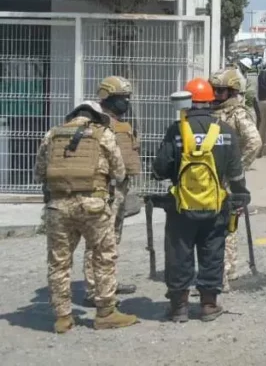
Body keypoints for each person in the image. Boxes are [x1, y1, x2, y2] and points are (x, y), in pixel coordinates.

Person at [36, 100, 139, 333]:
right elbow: (120, 172)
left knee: (59, 262)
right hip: (93, 205)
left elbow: (39, 172)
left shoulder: (52, 134)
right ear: (96, 116)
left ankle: (62, 317)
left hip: (58, 207)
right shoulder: (103, 134)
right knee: (103, 256)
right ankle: (105, 312)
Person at [152, 78, 249, 323]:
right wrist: (240, 196)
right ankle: (208, 306)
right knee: (212, 253)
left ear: (186, 102)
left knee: (178, 253)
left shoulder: (176, 130)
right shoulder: (225, 131)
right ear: (210, 101)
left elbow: (160, 169)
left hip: (181, 207)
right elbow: (236, 172)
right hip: (215, 206)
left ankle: (179, 308)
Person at [82, 76, 142, 307]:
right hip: (103, 190)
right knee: (98, 240)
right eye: (121, 98)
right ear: (107, 97)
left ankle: (107, 283)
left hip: (118, 190)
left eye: (127, 98)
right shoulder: (96, 124)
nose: (125, 102)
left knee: (112, 239)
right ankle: (93, 289)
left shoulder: (118, 124)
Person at [210, 67, 262, 292]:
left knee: (226, 223)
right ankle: (225, 269)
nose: (216, 95)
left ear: (232, 91)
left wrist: (238, 168)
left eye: (221, 91)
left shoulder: (237, 113)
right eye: (214, 90)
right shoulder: (216, 111)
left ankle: (224, 271)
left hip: (227, 180)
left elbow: (254, 142)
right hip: (211, 176)